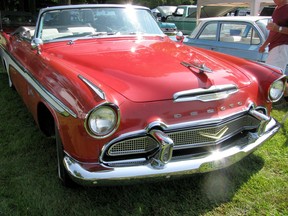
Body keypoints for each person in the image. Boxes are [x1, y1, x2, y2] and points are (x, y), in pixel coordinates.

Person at [259, 0, 288, 97]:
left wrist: (278, 28)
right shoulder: (277, 9)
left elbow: (276, 29)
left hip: (282, 46)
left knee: (273, 75)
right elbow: (273, 30)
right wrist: (265, 44)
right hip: (274, 46)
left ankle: (274, 97)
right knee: (272, 73)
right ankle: (278, 96)